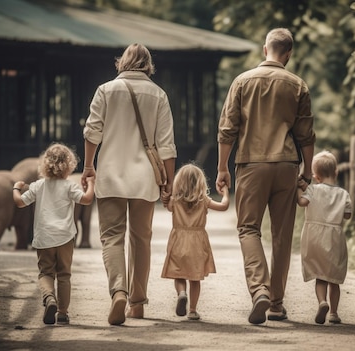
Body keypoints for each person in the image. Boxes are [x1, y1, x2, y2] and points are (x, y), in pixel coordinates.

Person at [216, 27, 315, 324]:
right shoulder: (298, 85)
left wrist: (222, 167)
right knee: (282, 236)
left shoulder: (242, 82)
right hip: (286, 165)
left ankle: (259, 289)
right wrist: (307, 172)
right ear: (288, 53)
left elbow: (227, 129)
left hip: (251, 165)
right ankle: (276, 303)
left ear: (264, 49)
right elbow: (306, 136)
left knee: (248, 229)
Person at [81, 43, 177, 326]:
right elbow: (166, 145)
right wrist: (168, 183)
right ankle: (136, 304)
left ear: (121, 62)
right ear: (148, 65)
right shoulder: (159, 94)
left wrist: (88, 166)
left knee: (111, 237)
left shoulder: (105, 90)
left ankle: (118, 291)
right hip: (145, 179)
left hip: (111, 173)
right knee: (141, 239)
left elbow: (92, 131)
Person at [13, 143, 95, 325]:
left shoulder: (37, 186)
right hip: (65, 238)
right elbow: (87, 199)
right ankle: (63, 313)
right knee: (64, 275)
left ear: (44, 165)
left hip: (44, 238)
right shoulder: (69, 186)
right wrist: (90, 184)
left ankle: (49, 298)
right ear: (69, 166)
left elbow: (20, 203)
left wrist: (16, 189)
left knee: (46, 273)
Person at [160, 163, 230, 321]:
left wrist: (166, 193)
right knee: (195, 278)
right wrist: (225, 192)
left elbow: (165, 200)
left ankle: (182, 293)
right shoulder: (204, 200)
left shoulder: (174, 201)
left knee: (178, 274)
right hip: (197, 244)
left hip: (178, 242)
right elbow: (224, 206)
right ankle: (192, 310)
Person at [297, 150, 352, 324]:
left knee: (320, 276)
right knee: (333, 278)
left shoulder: (312, 190)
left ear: (316, 176)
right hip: (334, 238)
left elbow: (301, 203)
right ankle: (334, 313)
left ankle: (322, 302)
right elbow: (348, 215)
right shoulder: (343, 194)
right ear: (335, 172)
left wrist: (300, 189)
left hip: (314, 237)